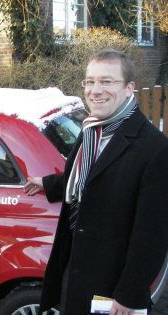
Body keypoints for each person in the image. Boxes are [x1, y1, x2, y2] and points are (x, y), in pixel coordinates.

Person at [24, 49, 168, 315]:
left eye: (107, 81)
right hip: (75, 268)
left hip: (111, 285)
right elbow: (87, 179)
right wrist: (50, 183)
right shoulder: (92, 130)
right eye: (90, 81)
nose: (96, 90)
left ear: (129, 88)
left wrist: (129, 295)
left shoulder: (155, 149)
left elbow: (153, 236)